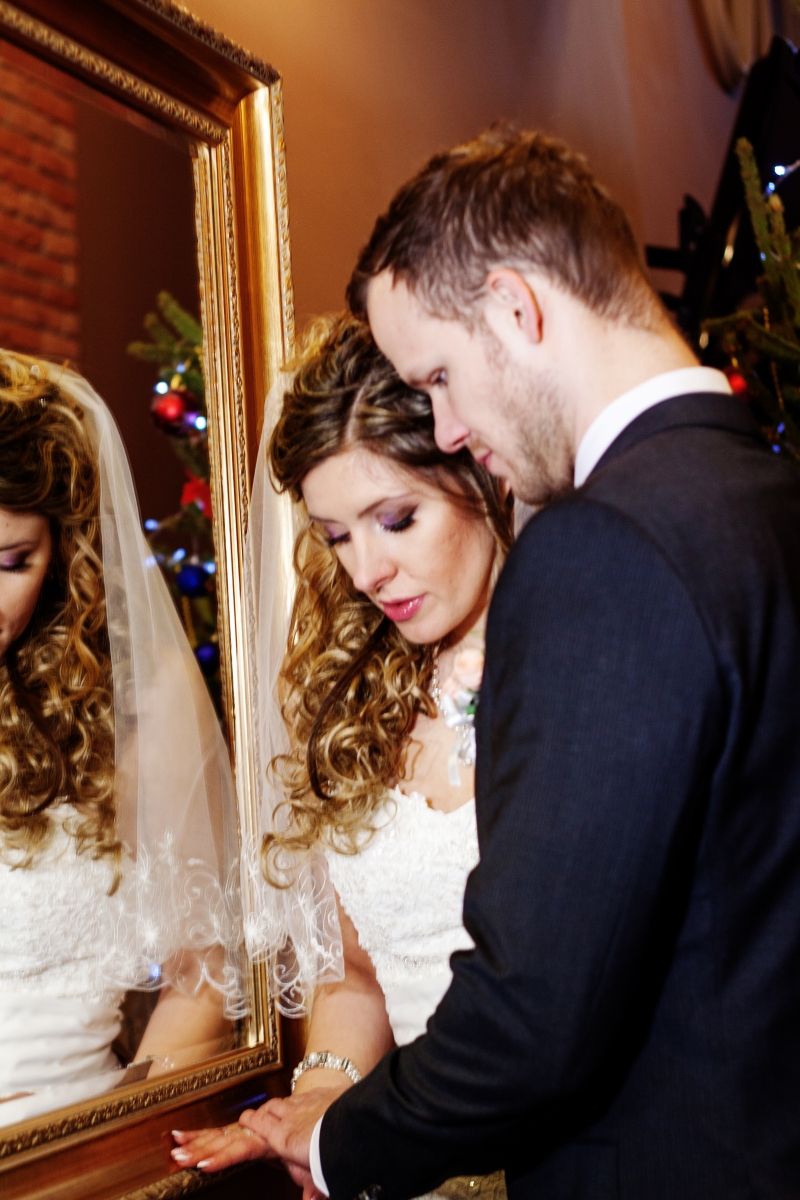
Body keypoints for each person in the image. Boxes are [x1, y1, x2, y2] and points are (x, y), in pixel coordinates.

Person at [236, 128, 800, 1198]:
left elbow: (541, 1008)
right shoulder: (767, 496)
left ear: (513, 308)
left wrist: (337, 1145)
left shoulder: (601, 548)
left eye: (440, 377)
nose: (450, 426)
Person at [170, 313, 512, 1198]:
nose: (368, 572)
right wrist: (322, 1095)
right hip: (399, 1167)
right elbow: (360, 972)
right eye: (337, 536)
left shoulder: (577, 674)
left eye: (396, 519)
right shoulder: (359, 695)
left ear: (478, 469)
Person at [0, 351, 244, 1124]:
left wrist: (109, 1148)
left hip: (74, 1150)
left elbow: (203, 977)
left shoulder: (136, 702)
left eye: (9, 562)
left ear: (61, 554)